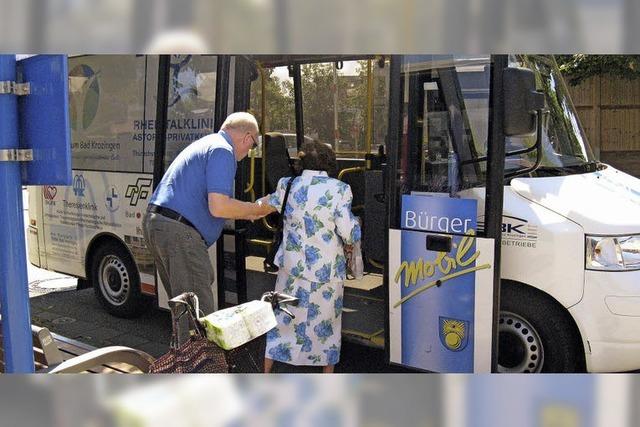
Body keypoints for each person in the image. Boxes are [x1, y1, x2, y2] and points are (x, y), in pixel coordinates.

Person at [142, 112, 272, 317]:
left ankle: (185, 349)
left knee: (185, 309)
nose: (249, 152)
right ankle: (200, 350)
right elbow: (219, 207)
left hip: (160, 225)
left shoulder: (208, 143)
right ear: (248, 137)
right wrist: (256, 208)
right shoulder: (223, 150)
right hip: (179, 231)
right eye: (253, 146)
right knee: (196, 316)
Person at [259, 140, 361, 373]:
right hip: (326, 272)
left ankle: (264, 373)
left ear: (301, 162)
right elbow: (347, 232)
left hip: (291, 268)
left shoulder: (287, 184)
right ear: (330, 162)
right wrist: (357, 225)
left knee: (281, 322)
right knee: (327, 327)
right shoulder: (339, 189)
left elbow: (268, 204)